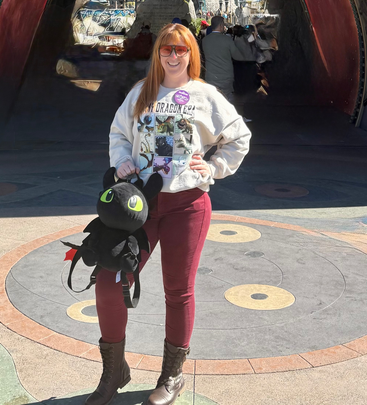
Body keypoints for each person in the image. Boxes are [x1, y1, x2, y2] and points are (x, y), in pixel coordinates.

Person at [86, 23, 251, 405]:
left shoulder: (205, 96)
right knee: (109, 282)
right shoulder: (141, 93)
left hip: (187, 205)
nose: (173, 56)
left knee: (178, 291)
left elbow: (239, 138)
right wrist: (122, 160)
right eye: (166, 49)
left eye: (181, 49)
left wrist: (213, 167)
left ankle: (172, 376)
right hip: (139, 208)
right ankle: (114, 371)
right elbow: (118, 134)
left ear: (192, 54)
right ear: (158, 53)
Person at [202, 16, 256, 103]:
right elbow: (237, 56)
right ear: (220, 25)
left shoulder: (205, 40)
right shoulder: (227, 40)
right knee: (226, 101)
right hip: (225, 77)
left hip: (210, 77)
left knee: (213, 100)